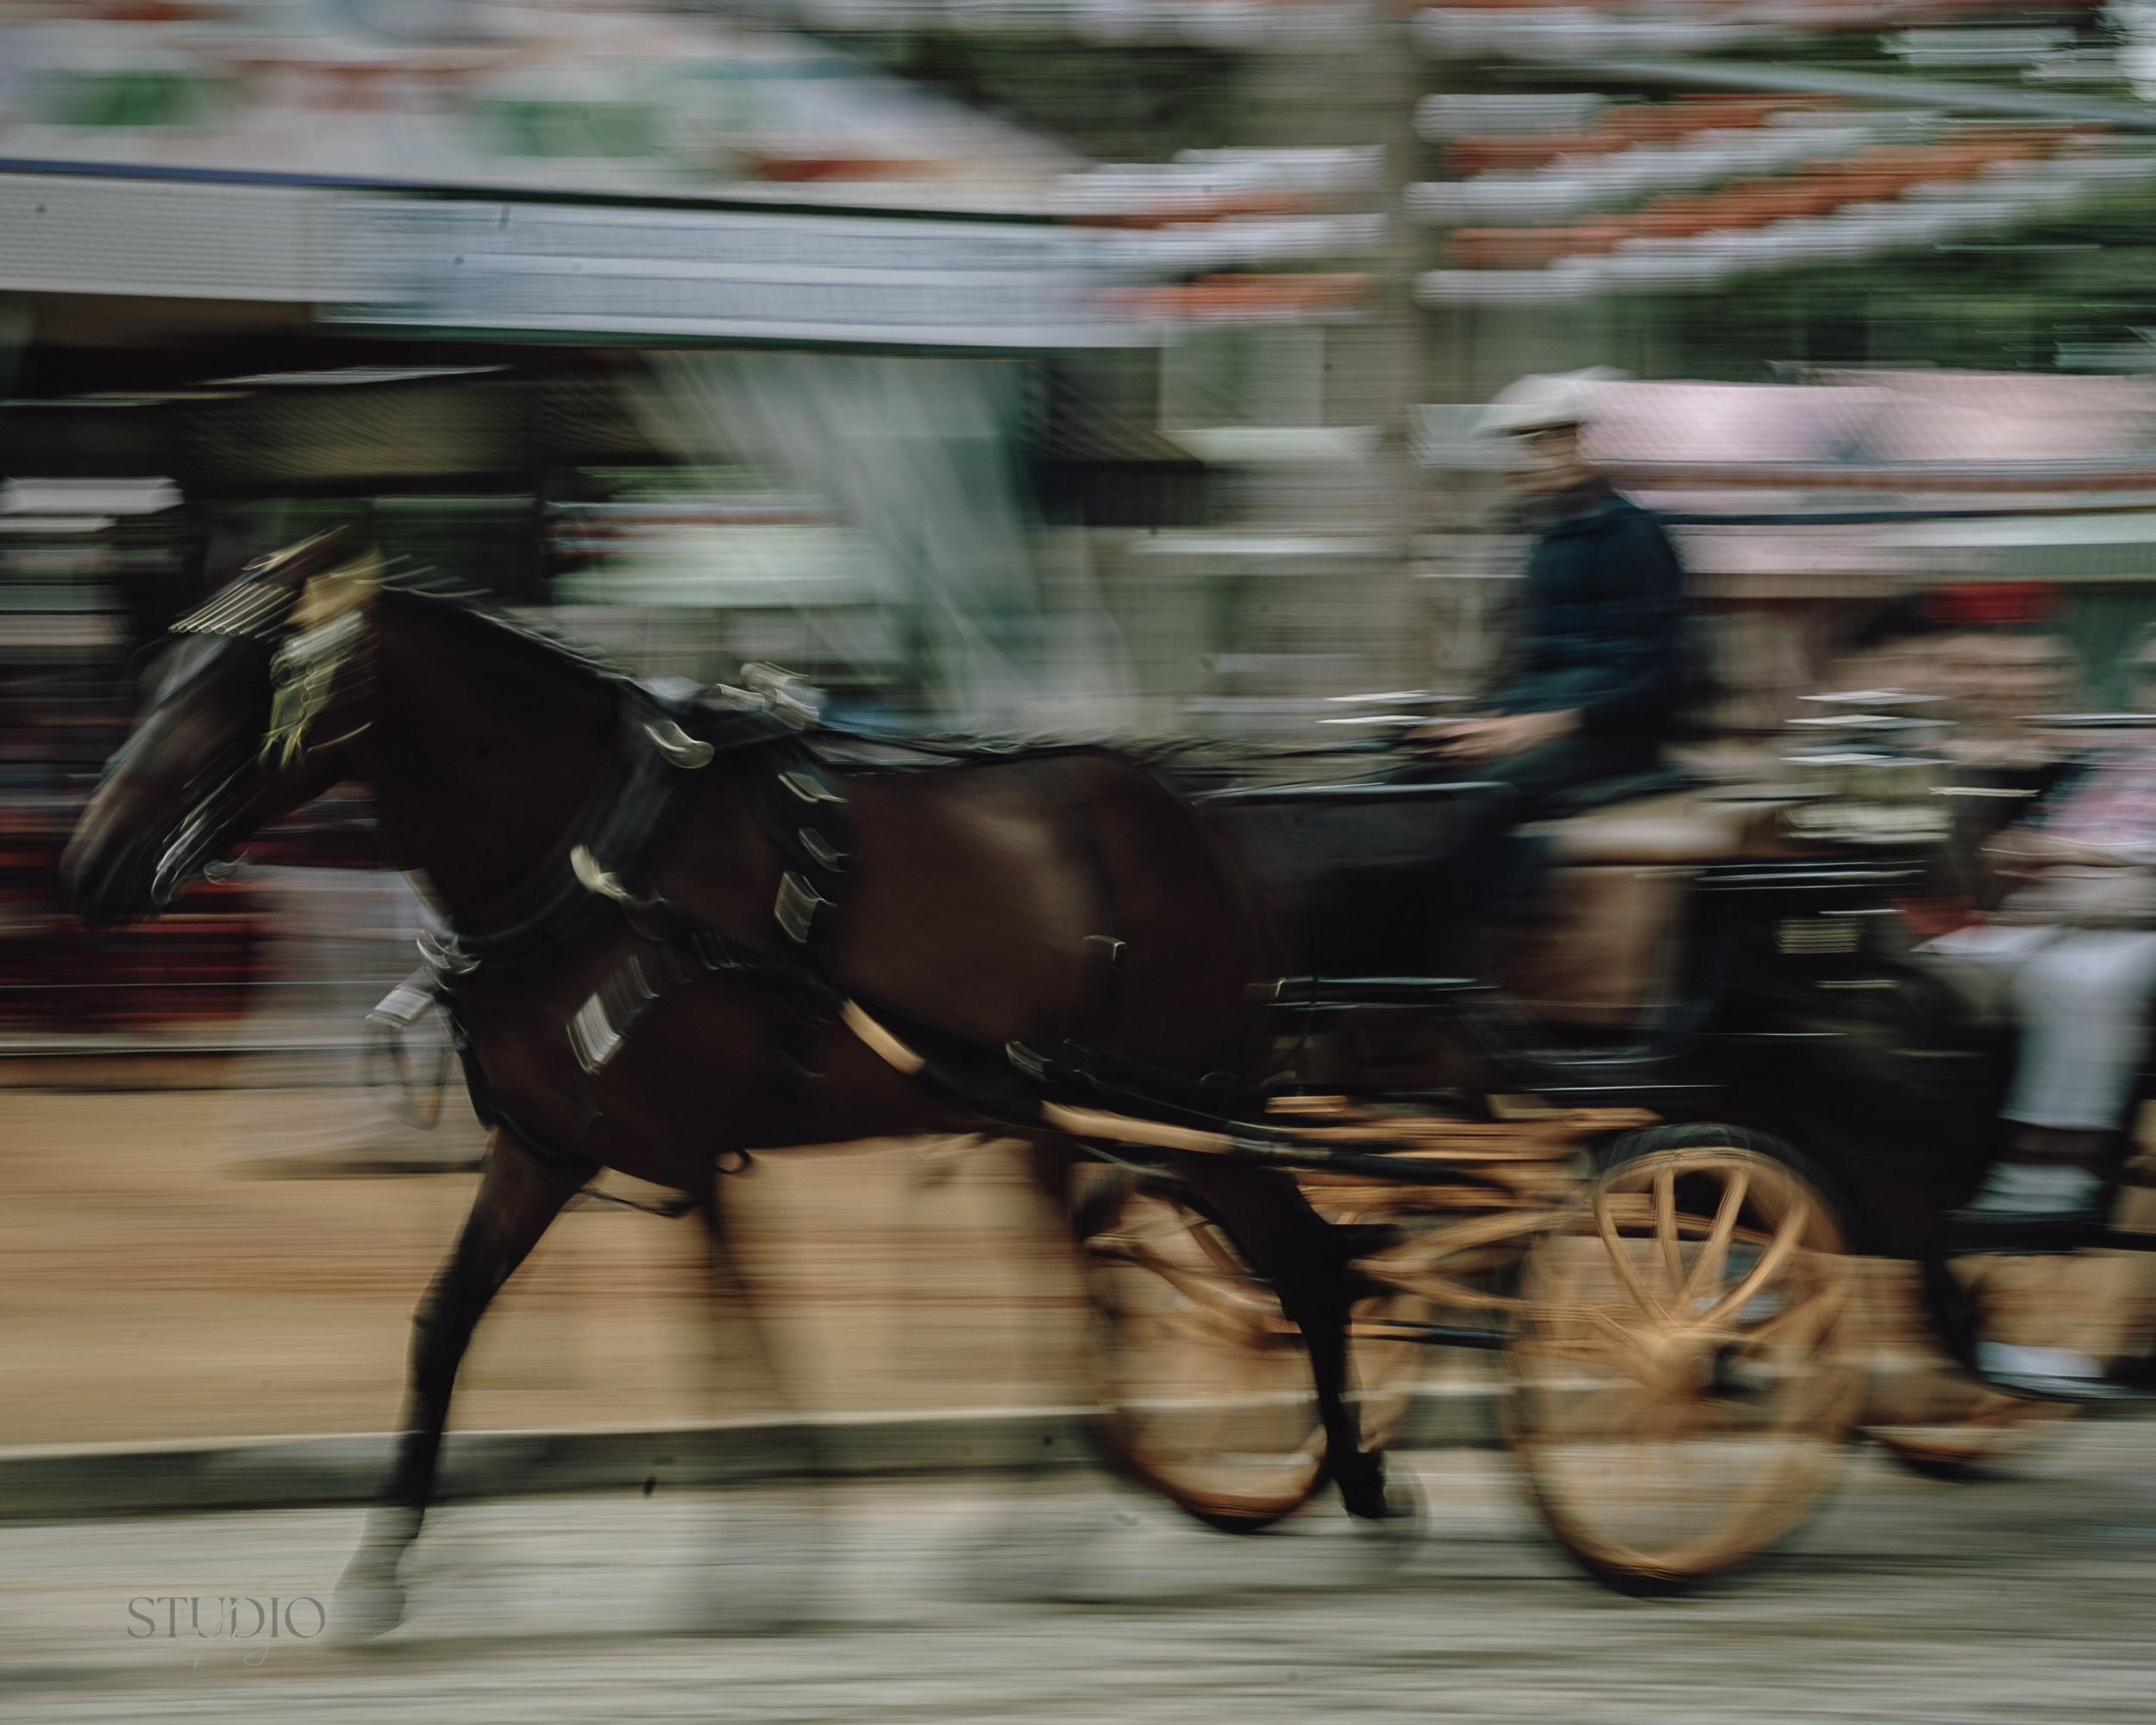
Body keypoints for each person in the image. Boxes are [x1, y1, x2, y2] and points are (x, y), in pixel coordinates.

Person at [1929, 630, 2156, 1397]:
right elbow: (2038, 842)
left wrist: (2105, 871)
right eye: (2148, 674)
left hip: (2132, 935)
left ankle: (2046, 1186)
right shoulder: (2114, 757)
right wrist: (2045, 858)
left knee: (2081, 979)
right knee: (1925, 974)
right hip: (2059, 915)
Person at [1401, 369, 1693, 924]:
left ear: (1577, 444)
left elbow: (1662, 679)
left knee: (1475, 798)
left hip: (1612, 737)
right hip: (1540, 722)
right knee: (1400, 783)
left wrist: (1530, 726)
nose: (1524, 461)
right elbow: (1529, 664)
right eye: (1521, 446)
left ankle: (1464, 958)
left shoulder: (1637, 537)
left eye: (1539, 443)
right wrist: (1478, 723)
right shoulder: (1545, 540)